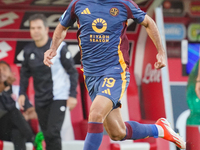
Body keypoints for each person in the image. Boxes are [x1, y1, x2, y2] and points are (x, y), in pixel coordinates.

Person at [43, 0, 186, 149]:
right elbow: (62, 27)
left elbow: (149, 23)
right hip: (91, 75)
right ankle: (160, 129)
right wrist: (53, 48)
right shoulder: (78, 3)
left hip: (115, 71)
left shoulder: (123, 4)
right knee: (118, 132)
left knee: (96, 113)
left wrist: (161, 52)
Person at [18, 14, 78, 150]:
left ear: (46, 29)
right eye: (33, 28)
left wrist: (73, 95)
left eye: (39, 27)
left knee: (53, 132)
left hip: (59, 97)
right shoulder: (28, 51)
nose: (35, 31)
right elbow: (24, 74)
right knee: (46, 134)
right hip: (40, 100)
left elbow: (72, 72)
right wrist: (22, 93)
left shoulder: (59, 47)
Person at [0, 61, 35, 150]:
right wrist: (5, 86)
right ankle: (33, 139)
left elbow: (32, 112)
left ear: (11, 73)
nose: (1, 72)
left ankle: (30, 137)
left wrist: (29, 115)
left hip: (15, 130)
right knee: (14, 112)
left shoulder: (18, 91)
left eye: (4, 69)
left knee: (17, 132)